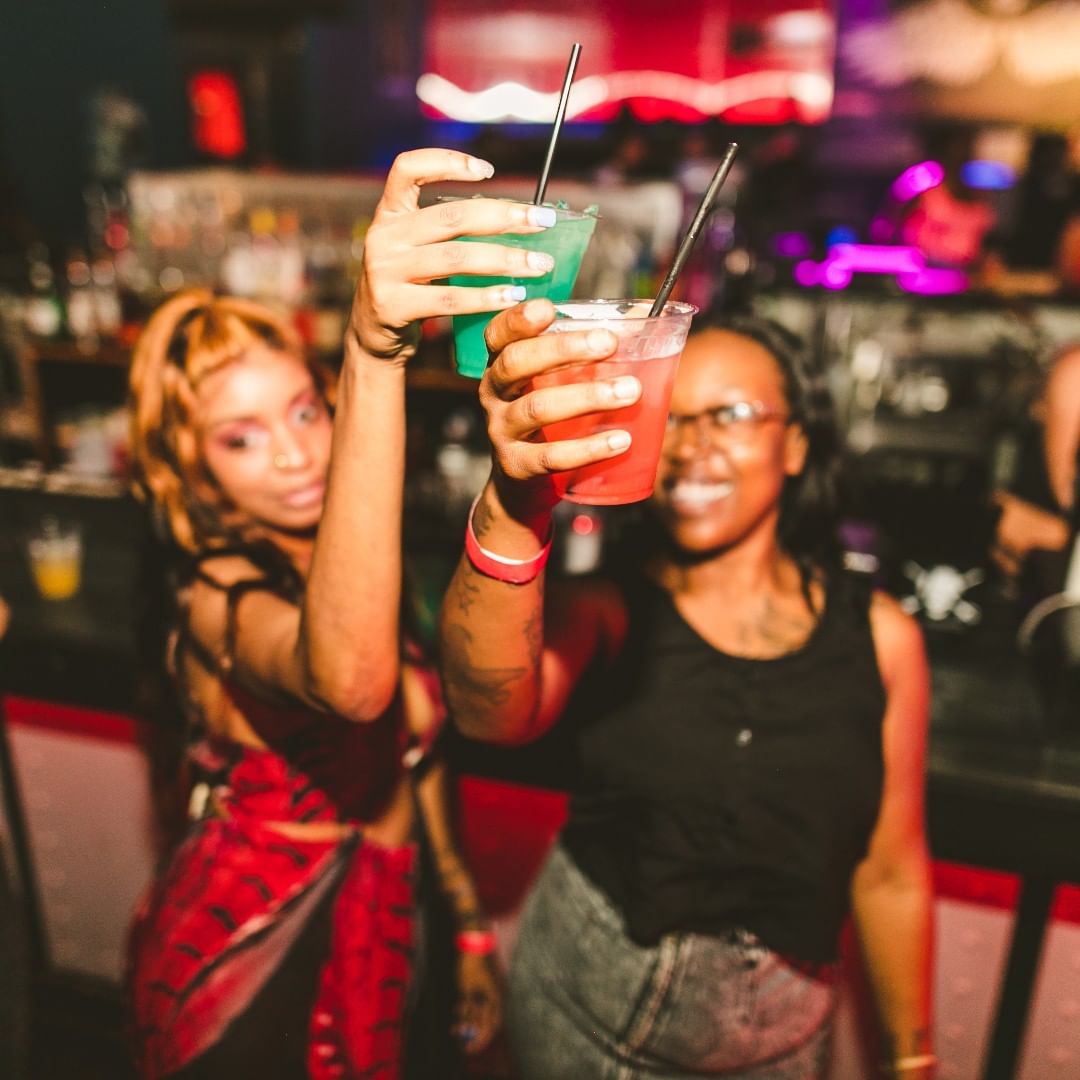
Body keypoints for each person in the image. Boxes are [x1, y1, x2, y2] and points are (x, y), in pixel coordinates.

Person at [123, 147, 561, 1079]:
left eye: (305, 412)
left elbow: (417, 753)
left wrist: (473, 925)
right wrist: (371, 352)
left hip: (393, 911)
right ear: (190, 469)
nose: (292, 455)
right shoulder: (216, 596)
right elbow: (355, 686)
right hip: (255, 947)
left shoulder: (352, 558)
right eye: (240, 437)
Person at [439, 304, 936, 1079]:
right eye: (669, 416)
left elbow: (890, 869)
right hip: (584, 1027)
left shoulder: (881, 639)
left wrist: (912, 1057)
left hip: (780, 1049)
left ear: (797, 442)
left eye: (730, 414)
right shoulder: (607, 611)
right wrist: (516, 502)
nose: (691, 446)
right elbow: (487, 714)